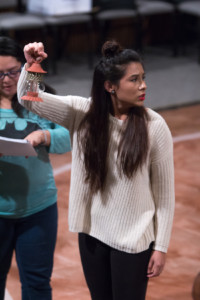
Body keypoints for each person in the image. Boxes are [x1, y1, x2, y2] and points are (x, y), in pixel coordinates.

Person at [17, 40, 175, 300]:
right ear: (110, 86)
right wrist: (33, 65)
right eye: (134, 80)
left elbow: (164, 195)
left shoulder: (154, 126)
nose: (143, 85)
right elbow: (29, 98)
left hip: (134, 241)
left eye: (143, 78)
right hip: (92, 234)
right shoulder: (82, 112)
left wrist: (161, 246)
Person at [0, 36, 71, 300]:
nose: (6, 80)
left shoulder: (36, 98)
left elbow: (69, 136)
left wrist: (45, 137)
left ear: (23, 68)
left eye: (12, 72)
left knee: (37, 285)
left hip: (38, 210)